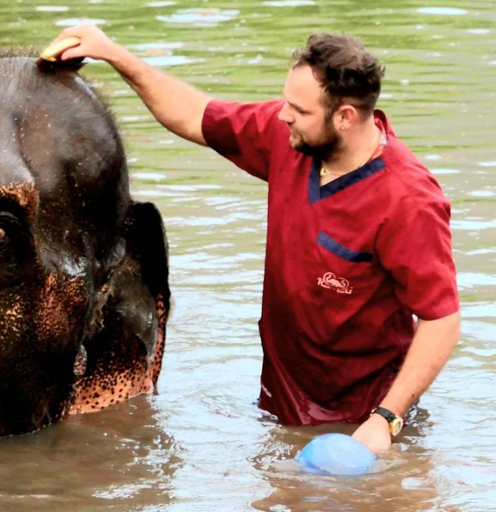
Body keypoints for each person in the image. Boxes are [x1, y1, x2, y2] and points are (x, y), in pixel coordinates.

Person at [45, 24, 461, 453]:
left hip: (360, 421)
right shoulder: (291, 140)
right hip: (280, 404)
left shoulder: (408, 200)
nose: (283, 115)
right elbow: (193, 115)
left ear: (345, 118)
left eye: (299, 110)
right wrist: (114, 54)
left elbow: (441, 320)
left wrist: (386, 420)